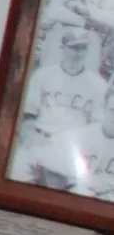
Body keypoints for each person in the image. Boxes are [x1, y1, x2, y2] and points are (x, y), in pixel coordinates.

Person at [9, 23, 104, 188]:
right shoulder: (43, 76)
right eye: (73, 47)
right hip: (41, 139)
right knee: (13, 178)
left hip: (72, 149)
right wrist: (31, 137)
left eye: (82, 48)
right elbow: (28, 115)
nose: (78, 53)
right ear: (63, 47)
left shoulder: (98, 85)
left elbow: (97, 127)